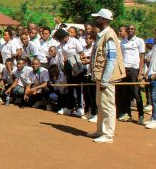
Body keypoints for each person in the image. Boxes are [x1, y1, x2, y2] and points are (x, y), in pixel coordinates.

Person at [87, 9, 126, 144]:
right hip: (101, 76)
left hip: (106, 77)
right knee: (100, 103)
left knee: (108, 104)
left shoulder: (109, 35)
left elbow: (111, 59)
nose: (95, 20)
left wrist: (105, 79)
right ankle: (100, 130)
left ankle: (108, 134)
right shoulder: (102, 35)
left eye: (97, 18)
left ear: (103, 20)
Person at [54, 27, 86, 117]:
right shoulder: (60, 44)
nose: (59, 41)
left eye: (60, 39)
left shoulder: (75, 42)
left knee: (78, 88)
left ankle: (80, 108)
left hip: (77, 65)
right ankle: (69, 107)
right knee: (70, 88)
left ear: (64, 37)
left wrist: (77, 66)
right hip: (67, 66)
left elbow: (82, 53)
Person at [118, 24, 145, 125]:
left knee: (136, 93)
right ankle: (127, 114)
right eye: (128, 29)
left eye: (132, 29)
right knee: (125, 93)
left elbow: (142, 57)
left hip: (135, 70)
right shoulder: (122, 42)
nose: (130, 30)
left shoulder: (139, 41)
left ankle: (141, 115)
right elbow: (120, 57)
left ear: (135, 30)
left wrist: (140, 72)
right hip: (125, 70)